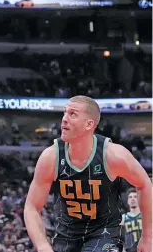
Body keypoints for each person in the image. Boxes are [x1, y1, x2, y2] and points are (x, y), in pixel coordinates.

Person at [24, 96, 152, 252]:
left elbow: (145, 184)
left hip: (105, 233)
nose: (64, 119)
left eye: (72, 114)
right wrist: (43, 245)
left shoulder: (113, 155)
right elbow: (31, 207)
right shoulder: (51, 157)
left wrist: (148, 237)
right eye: (65, 113)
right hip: (66, 235)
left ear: (89, 124)